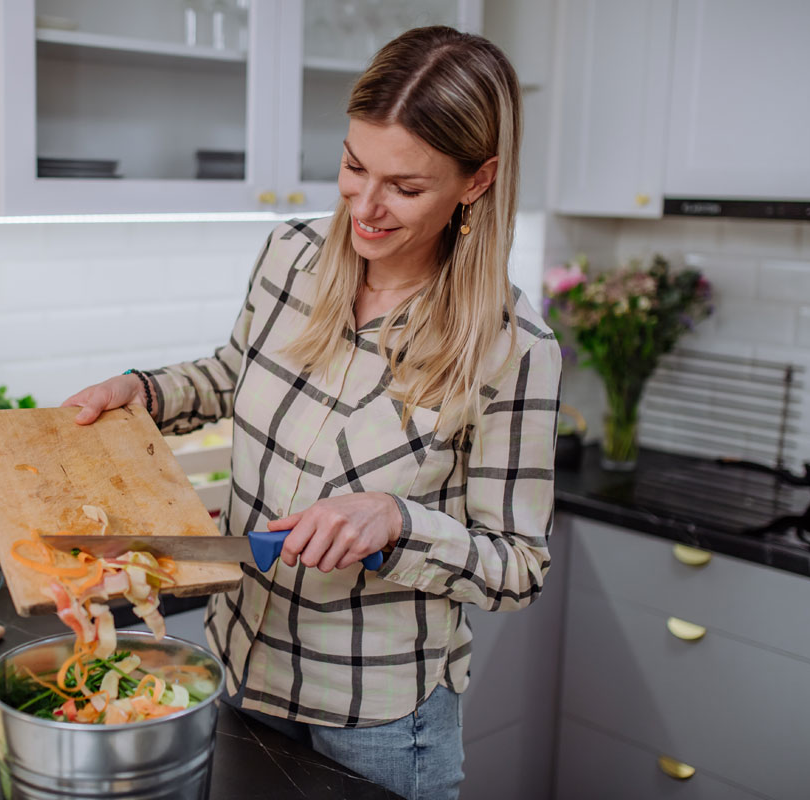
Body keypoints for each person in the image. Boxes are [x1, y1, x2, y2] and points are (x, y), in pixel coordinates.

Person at [63, 26, 561, 800]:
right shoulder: (291, 256)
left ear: (476, 181)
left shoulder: (513, 347)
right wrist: (146, 393)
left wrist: (397, 521)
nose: (364, 206)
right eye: (354, 165)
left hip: (381, 722)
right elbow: (234, 373)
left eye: (405, 185)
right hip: (241, 668)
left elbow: (518, 566)